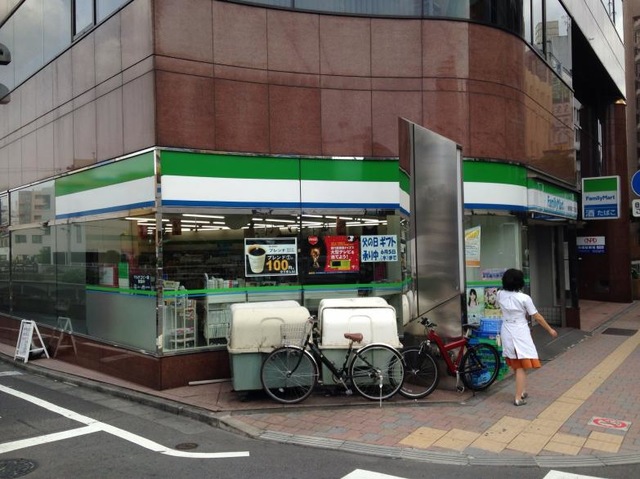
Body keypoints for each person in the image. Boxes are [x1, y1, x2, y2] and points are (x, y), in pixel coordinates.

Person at [497, 268, 557, 406]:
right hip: (520, 331)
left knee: (516, 362)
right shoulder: (524, 298)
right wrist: (550, 329)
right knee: (521, 365)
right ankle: (518, 397)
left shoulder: (500, 294)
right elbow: (537, 316)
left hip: (506, 329)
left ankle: (522, 391)